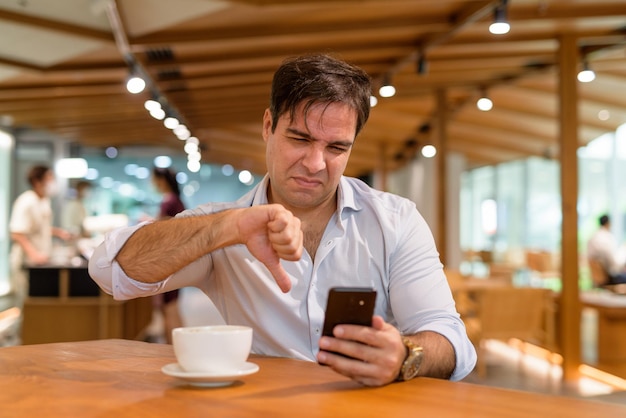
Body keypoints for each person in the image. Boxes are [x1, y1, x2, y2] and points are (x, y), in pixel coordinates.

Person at [89, 54, 476, 386]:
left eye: (336, 147)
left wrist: (405, 355)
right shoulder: (223, 226)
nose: (315, 163)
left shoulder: (395, 221)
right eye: (300, 139)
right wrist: (229, 228)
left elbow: (452, 342)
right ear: (268, 126)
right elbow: (110, 271)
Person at [10, 165, 72, 305]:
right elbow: (17, 233)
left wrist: (58, 232)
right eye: (49, 178)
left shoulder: (44, 201)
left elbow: (39, 227)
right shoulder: (26, 201)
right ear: (37, 182)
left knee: (39, 304)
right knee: (25, 304)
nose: (53, 182)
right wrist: (34, 254)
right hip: (26, 263)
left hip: (39, 263)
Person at [149, 167, 186, 343]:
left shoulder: (169, 202)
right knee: (173, 307)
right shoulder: (176, 201)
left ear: (161, 181)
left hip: (168, 261)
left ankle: (172, 348)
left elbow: (164, 230)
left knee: (169, 308)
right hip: (176, 259)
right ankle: (181, 344)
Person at [587, 214, 626, 284]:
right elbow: (613, 264)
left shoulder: (593, 237)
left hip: (599, 277)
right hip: (609, 276)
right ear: (608, 223)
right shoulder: (606, 238)